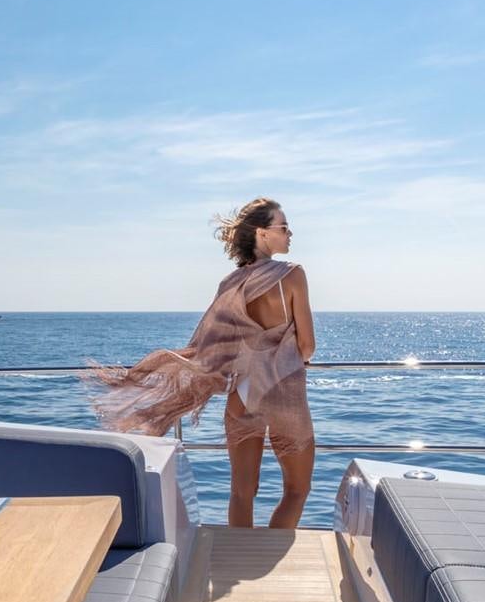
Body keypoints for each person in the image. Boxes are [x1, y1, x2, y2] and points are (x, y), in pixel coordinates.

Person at [86, 198, 316, 529]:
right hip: (282, 395)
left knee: (241, 493)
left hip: (243, 394)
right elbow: (307, 346)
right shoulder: (292, 275)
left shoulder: (230, 284)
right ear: (263, 234)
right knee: (297, 489)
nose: (290, 233)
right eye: (283, 227)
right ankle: (271, 555)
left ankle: (241, 557)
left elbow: (215, 347)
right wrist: (291, 354)